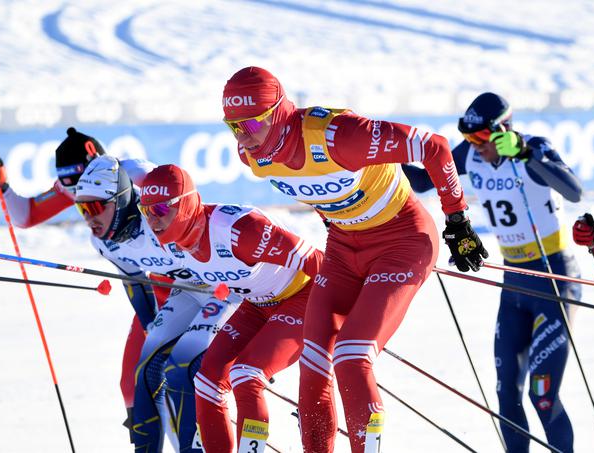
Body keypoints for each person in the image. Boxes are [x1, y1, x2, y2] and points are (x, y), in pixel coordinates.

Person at [221, 66, 487, 453]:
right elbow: (317, 190)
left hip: (402, 241)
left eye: (251, 123)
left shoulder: (339, 136)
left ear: (278, 113)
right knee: (313, 367)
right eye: (233, 126)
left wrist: (458, 221)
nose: (243, 136)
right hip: (345, 250)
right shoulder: (254, 155)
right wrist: (335, 221)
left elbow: (434, 147)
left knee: (351, 355)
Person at [402, 92, 583, 453]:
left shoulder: (534, 149)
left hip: (553, 277)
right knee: (506, 395)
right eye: (469, 139)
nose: (475, 147)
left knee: (542, 395)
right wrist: (387, 155)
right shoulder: (471, 154)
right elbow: (424, 182)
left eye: (482, 138)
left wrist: (527, 154)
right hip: (514, 281)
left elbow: (574, 191)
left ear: (504, 130)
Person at [0, 128, 157, 439]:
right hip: (146, 293)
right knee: (131, 385)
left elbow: (185, 206)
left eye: (92, 197)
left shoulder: (135, 172)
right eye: (73, 190)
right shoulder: (72, 186)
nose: (82, 198)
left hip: (184, 286)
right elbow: (27, 215)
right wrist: (2, 186)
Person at [138, 164, 324, 453]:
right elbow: (166, 282)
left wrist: (347, 311)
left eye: (160, 209)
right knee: (207, 380)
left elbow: (319, 262)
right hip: (257, 304)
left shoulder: (240, 230)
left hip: (302, 296)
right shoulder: (169, 242)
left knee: (246, 374)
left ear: (186, 203)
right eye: (145, 210)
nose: (153, 219)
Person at [75, 155, 239, 453]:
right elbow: (135, 281)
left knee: (185, 366)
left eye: (96, 207)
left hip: (223, 286)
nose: (89, 217)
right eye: (82, 208)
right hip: (187, 291)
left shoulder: (158, 217)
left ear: (121, 199)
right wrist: (152, 324)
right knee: (148, 370)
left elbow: (164, 183)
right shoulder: (102, 242)